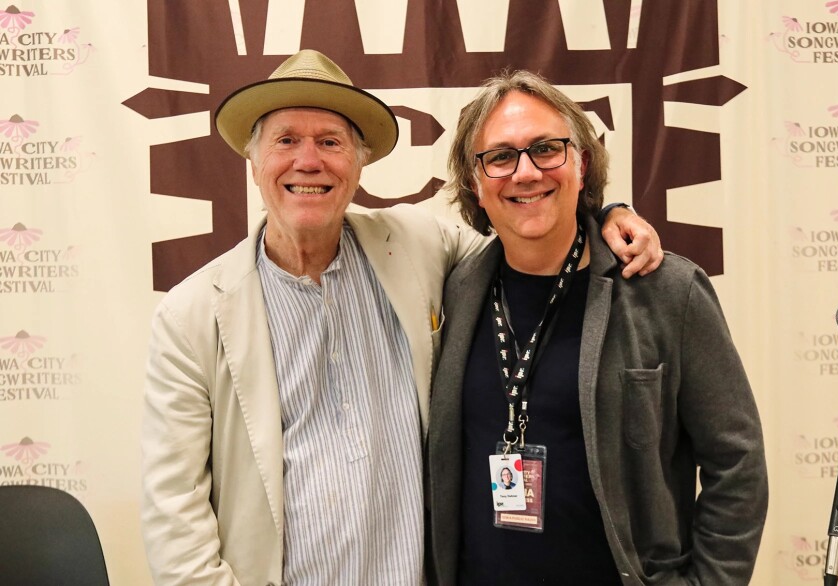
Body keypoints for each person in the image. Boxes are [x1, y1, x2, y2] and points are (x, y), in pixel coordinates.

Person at [141, 50, 663, 586]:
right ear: (253, 164)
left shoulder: (416, 245)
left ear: (359, 163)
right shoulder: (192, 317)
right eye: (286, 140)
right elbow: (174, 522)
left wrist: (605, 215)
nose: (308, 161)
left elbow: (528, 230)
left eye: (330, 142)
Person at [427, 70, 768, 585]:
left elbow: (737, 463)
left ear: (582, 164)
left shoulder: (667, 290)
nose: (525, 172)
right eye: (500, 157)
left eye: (546, 149)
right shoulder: (455, 288)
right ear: (476, 183)